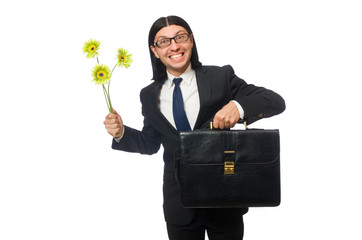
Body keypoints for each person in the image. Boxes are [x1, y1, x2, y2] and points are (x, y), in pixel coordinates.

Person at [104, 15, 285, 240]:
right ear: (155, 50)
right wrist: (122, 133)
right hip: (179, 205)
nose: (174, 46)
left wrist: (238, 107)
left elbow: (275, 101)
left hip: (224, 199)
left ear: (191, 40)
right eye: (164, 41)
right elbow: (151, 144)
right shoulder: (148, 95)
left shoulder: (220, 77)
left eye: (180, 37)